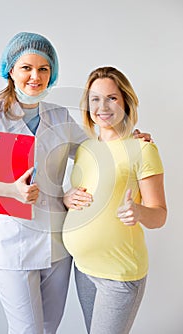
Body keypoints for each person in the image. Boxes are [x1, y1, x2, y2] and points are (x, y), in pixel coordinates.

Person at [0, 32, 152, 334]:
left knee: (49, 328)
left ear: (52, 73)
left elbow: (96, 149)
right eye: (26, 68)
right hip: (12, 243)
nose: (35, 76)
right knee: (26, 330)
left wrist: (131, 138)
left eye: (44, 69)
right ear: (10, 69)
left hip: (58, 244)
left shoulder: (59, 115)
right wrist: (11, 190)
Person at [63, 66, 167, 334]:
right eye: (95, 99)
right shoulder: (85, 148)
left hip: (119, 275)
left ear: (125, 102)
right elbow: (85, 193)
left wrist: (139, 211)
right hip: (84, 269)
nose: (103, 107)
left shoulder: (143, 149)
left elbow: (160, 215)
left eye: (112, 98)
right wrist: (66, 198)